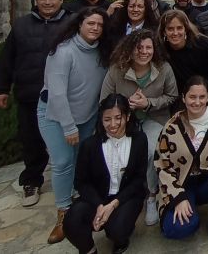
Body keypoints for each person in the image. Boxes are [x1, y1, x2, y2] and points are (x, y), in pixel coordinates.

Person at [37, 6, 111, 244]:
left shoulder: (101, 51)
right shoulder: (63, 51)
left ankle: (81, 202)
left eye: (100, 25)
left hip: (87, 116)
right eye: (91, 23)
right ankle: (63, 213)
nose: (96, 28)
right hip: (56, 116)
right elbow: (57, 93)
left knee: (81, 161)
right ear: (79, 24)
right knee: (62, 162)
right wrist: (69, 127)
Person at [0, 0, 70, 208]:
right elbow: (7, 59)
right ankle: (31, 181)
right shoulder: (21, 25)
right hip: (29, 93)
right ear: (36, 0)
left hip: (63, 95)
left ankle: (72, 179)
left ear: (61, 0)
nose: (47, 3)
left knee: (69, 139)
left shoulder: (71, 24)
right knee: (31, 140)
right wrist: (2, 88)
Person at [100, 29, 178, 227]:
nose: (144, 52)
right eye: (139, 47)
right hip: (125, 121)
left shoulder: (164, 68)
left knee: (151, 150)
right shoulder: (116, 70)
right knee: (119, 150)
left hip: (155, 118)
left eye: (148, 47)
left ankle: (151, 195)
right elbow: (105, 100)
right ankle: (118, 196)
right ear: (130, 49)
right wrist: (125, 105)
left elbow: (172, 97)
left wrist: (148, 103)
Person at [155, 76, 208, 250]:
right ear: (183, 98)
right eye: (192, 97)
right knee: (177, 228)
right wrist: (178, 197)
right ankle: (189, 208)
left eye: (202, 97)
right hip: (182, 184)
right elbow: (162, 164)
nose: (197, 102)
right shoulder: (172, 127)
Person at [63, 94, 148, 254]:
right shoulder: (89, 145)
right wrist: (100, 206)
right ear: (101, 119)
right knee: (72, 221)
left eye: (118, 118)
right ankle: (89, 250)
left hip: (126, 197)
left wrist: (113, 205)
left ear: (128, 116)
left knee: (117, 230)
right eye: (107, 119)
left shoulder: (139, 140)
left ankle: (120, 240)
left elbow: (138, 180)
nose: (113, 124)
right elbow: (81, 182)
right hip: (98, 198)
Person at [158, 10, 208, 98]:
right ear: (164, 32)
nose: (175, 33)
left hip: (203, 95)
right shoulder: (160, 50)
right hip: (177, 97)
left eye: (179, 28)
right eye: (170, 29)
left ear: (186, 29)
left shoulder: (202, 44)